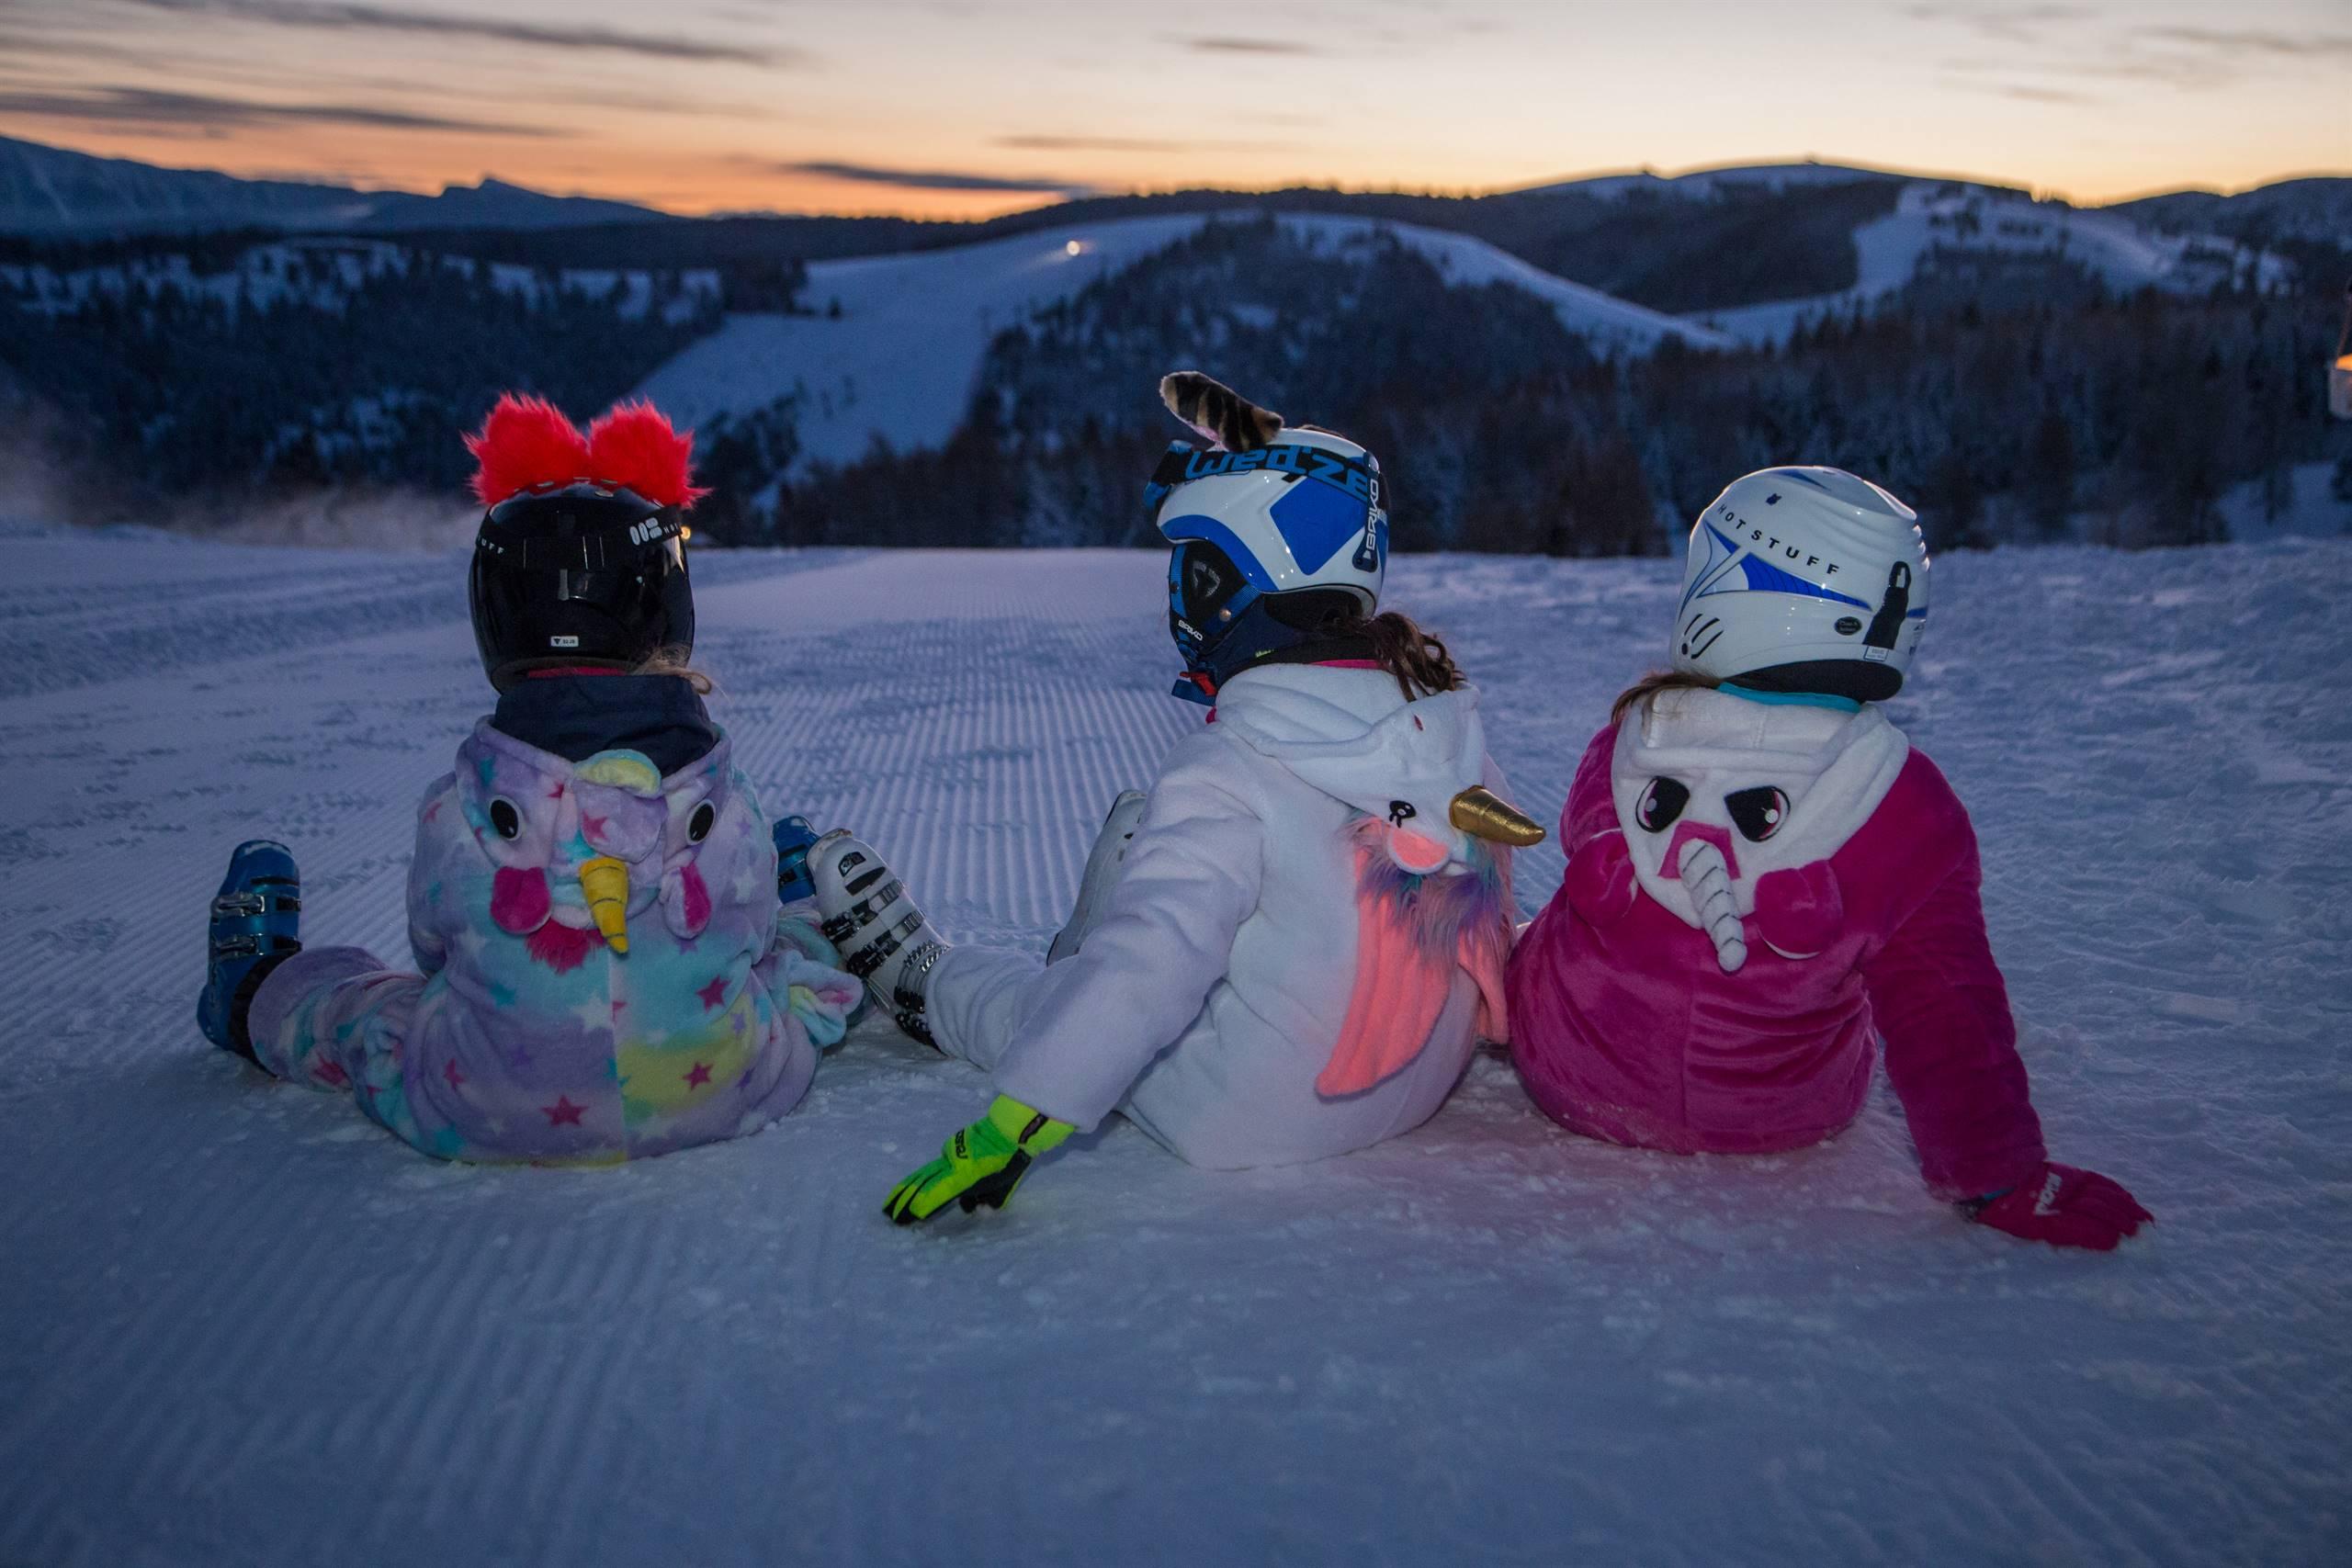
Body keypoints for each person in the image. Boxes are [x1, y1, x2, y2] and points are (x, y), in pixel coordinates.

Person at [814, 372, 1544, 1224]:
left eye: (1191, 569)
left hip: (1249, 1111)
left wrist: (1012, 1127)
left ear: (1218, 589)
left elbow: (1152, 967)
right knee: (1156, 849)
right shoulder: (1449, 734)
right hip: (1409, 1085)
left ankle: (930, 984)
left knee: (1052, 1003)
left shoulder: (1228, 768)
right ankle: (1084, 947)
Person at [194, 394, 856, 1163]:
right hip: (717, 1090)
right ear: (666, 606)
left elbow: (435, 950)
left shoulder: (461, 811)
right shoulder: (724, 803)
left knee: (365, 1011)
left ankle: (249, 995)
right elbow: (748, 931)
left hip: (486, 1101)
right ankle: (816, 897)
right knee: (784, 965)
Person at [1506, 466, 2150, 1249]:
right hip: (1779, 1112)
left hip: (1572, 1076)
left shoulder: (1630, 740)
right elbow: (1944, 1008)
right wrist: (2000, 1174)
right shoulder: (1905, 801)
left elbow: (1590, 842)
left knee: (1539, 929)